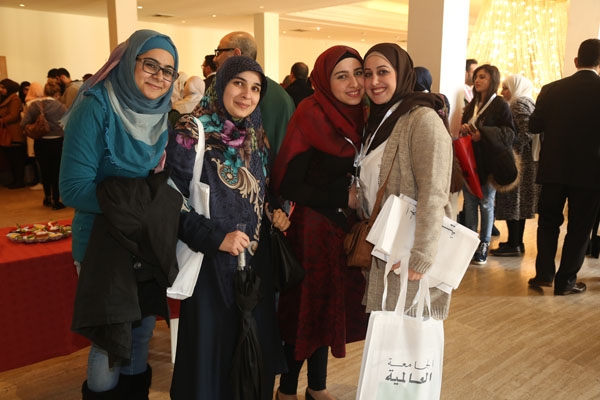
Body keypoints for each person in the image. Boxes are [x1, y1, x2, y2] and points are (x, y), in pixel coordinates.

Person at [59, 29, 181, 399]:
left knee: (141, 330)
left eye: (168, 70)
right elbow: (72, 189)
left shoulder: (161, 115)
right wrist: (143, 201)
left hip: (142, 239)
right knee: (111, 339)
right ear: (128, 62)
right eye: (150, 65)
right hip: (102, 242)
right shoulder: (95, 107)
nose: (159, 77)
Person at [168, 56, 290, 400]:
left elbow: (263, 188)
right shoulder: (191, 131)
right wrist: (216, 238)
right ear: (220, 84)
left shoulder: (255, 133)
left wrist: (277, 210)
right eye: (239, 83)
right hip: (210, 268)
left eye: (256, 88)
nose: (247, 95)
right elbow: (170, 201)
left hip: (253, 267)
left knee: (252, 357)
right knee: (213, 362)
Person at [272, 45, 369, 400]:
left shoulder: (362, 116)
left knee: (328, 310)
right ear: (325, 81)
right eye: (341, 76)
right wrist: (342, 196)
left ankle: (317, 386)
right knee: (305, 312)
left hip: (341, 230)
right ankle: (286, 390)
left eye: (358, 73)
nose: (353, 83)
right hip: (312, 231)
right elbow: (288, 182)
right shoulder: (310, 114)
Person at [359, 42, 453, 328]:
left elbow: (434, 193)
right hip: (385, 243)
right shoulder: (380, 120)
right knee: (384, 335)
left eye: (383, 72)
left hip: (409, 250)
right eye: (367, 73)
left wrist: (421, 256)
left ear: (401, 74)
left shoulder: (422, 120)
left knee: (408, 337)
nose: (374, 81)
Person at [527, 38, 600, 295]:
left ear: (576, 61)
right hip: (592, 173)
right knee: (579, 227)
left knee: (548, 222)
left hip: (553, 169)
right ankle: (566, 281)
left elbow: (534, 126)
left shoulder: (551, 89)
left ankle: (543, 275)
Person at [459, 64, 516, 265]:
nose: (477, 80)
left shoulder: (500, 104)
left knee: (485, 203)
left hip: (489, 163)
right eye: (476, 76)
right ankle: (470, 243)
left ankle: (484, 243)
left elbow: (509, 134)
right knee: (469, 203)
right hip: (469, 161)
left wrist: (482, 134)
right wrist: (464, 129)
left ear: (493, 80)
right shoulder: (472, 104)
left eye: (482, 77)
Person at [212, 31, 295, 157]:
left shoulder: (239, 97)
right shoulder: (281, 95)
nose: (215, 58)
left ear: (236, 54)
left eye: (219, 52)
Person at [491, 74, 540, 256]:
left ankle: (514, 244)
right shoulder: (527, 102)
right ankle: (515, 242)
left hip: (519, 162)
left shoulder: (519, 104)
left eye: (506, 88)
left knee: (514, 202)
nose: (503, 92)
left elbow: (526, 132)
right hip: (524, 161)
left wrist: (508, 146)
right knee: (518, 204)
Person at [21, 81, 67, 209]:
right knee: (56, 171)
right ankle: (56, 200)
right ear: (57, 94)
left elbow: (23, 123)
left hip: (41, 142)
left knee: (44, 170)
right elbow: (68, 124)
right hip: (57, 142)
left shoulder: (35, 105)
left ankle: (47, 197)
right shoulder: (61, 106)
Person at [0, 78, 26, 189]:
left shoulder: (14, 99)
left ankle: (19, 181)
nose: (1, 89)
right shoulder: (6, 99)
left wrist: (1, 120)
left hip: (13, 133)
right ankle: (15, 180)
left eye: (3, 87)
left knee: (16, 159)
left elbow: (14, 115)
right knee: (11, 158)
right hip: (7, 132)